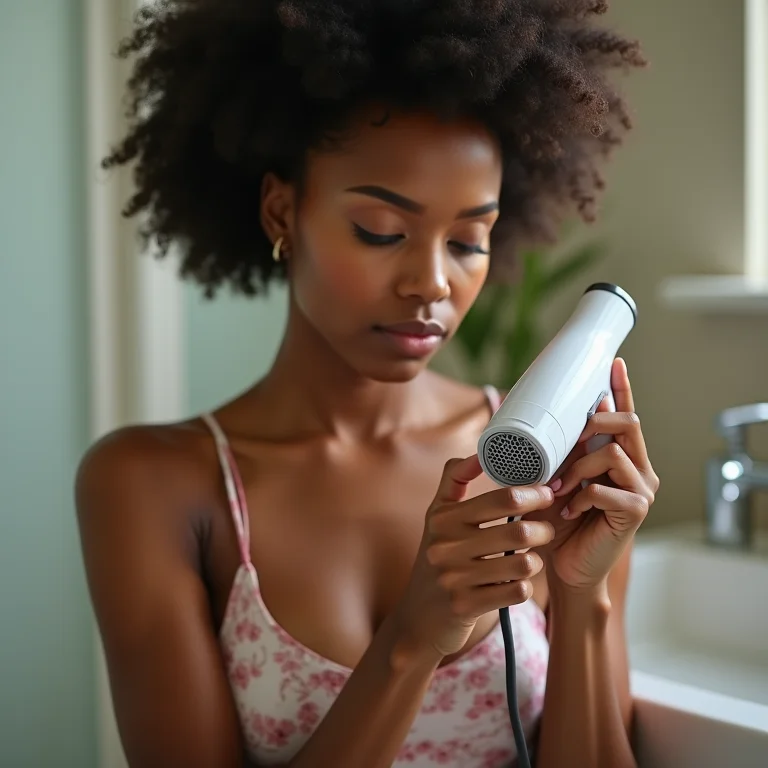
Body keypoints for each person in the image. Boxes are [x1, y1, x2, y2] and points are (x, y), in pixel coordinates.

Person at [75, 1, 658, 766]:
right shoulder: (153, 485)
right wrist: (410, 643)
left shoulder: (543, 463)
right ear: (283, 209)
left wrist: (584, 600)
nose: (431, 284)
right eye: (381, 232)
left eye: (468, 242)